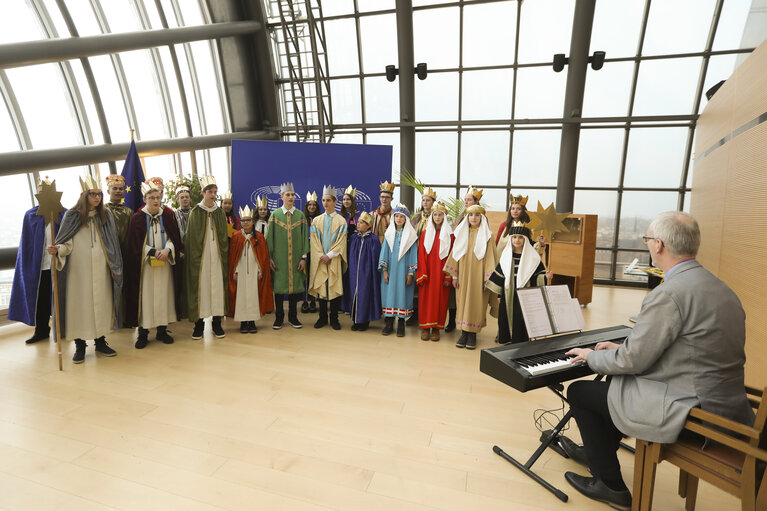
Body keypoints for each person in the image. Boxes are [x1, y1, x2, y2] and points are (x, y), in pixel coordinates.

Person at [563, 211, 755, 510]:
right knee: (615, 382)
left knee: (580, 391)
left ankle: (609, 484)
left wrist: (593, 356)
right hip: (728, 408)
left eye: (648, 239)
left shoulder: (669, 292)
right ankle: (597, 451)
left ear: (659, 245)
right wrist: (620, 348)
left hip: (693, 413)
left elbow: (633, 362)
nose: (648, 244)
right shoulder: (721, 288)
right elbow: (687, 348)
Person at [47, 172, 122, 363]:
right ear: (84, 195)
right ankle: (80, 346)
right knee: (80, 308)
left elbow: (112, 244)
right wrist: (58, 249)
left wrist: (114, 267)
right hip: (78, 274)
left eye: (99, 194)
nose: (97, 197)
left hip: (102, 271)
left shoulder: (106, 215)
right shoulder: (72, 216)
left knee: (101, 306)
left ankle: (101, 341)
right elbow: (67, 244)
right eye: (93, 194)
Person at [124, 180, 183, 348]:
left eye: (158, 197)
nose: (156, 201)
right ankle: (143, 333)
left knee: (164, 296)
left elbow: (174, 239)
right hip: (146, 267)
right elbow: (134, 244)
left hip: (164, 264)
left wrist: (167, 250)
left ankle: (162, 331)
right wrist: (152, 251)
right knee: (146, 298)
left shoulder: (168, 216)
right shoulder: (137, 218)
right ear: (145, 199)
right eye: (152, 198)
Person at [8, 178, 66, 344]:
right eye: (41, 192)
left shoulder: (64, 213)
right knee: (40, 300)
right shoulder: (31, 215)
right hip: (39, 266)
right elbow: (26, 243)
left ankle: (62, 330)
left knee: (59, 299)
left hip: (59, 263)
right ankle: (41, 330)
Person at [486, 221, 552, 344]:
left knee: (521, 318)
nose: (517, 240)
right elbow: (501, 275)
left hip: (524, 294)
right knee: (505, 317)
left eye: (520, 237)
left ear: (526, 239)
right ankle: (507, 340)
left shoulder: (533, 258)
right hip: (508, 293)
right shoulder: (506, 256)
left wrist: (545, 276)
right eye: (514, 237)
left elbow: (538, 275)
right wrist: (500, 294)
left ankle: (520, 342)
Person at [444, 204, 497, 350]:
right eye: (471, 215)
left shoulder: (488, 236)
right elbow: (455, 255)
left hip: (479, 277)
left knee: (476, 303)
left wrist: (487, 279)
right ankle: (463, 333)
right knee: (462, 302)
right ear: (467, 217)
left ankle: (473, 334)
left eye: (477, 215)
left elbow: (491, 258)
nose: (474, 218)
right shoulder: (461, 233)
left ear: (482, 217)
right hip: (463, 276)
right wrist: (454, 275)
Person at [184, 175, 229, 339]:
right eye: (210, 191)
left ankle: (217, 324)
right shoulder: (195, 212)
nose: (213, 194)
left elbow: (224, 237)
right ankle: (199, 325)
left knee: (217, 288)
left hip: (217, 258)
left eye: (215, 191)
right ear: (203, 192)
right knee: (201, 289)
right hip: (201, 260)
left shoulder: (219, 213)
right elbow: (191, 238)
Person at [266, 182, 309, 329]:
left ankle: (293, 317)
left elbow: (304, 238)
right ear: (282, 197)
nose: (291, 197)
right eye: (287, 195)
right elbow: (269, 237)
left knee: (294, 289)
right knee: (279, 288)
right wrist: (269, 257)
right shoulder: (275, 215)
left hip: (296, 258)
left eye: (292, 195)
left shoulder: (300, 215)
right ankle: (279, 318)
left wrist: (304, 258)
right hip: (279, 259)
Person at [228, 205, 274, 334]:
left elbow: (263, 256)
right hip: (241, 272)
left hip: (254, 271)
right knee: (241, 296)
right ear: (240, 222)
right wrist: (235, 271)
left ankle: (252, 321)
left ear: (252, 222)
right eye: (243, 221)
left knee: (253, 295)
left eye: (248, 220)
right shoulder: (236, 236)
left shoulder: (259, 236)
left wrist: (260, 270)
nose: (246, 223)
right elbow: (233, 257)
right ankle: (243, 322)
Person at [308, 186, 347, 330]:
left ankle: (334, 318)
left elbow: (341, 241)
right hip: (320, 259)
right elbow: (314, 241)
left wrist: (329, 255)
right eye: (323, 200)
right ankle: (322, 317)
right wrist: (321, 256)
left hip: (334, 259)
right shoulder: (316, 220)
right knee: (322, 288)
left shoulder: (341, 220)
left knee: (334, 287)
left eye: (328, 200)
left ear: (335, 201)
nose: (325, 203)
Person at [446, 185, 483, 332]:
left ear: (476, 201)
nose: (466, 202)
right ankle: (454, 321)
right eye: (465, 200)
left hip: (475, 265)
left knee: (473, 299)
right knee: (456, 296)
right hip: (461, 259)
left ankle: (471, 330)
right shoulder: (462, 216)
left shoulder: (481, 220)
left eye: (469, 200)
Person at [378, 204, 418, 337]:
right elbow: (384, 253)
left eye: (402, 217)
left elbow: (413, 255)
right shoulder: (389, 234)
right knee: (389, 295)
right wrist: (384, 271)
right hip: (390, 271)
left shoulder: (411, 237)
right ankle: (389, 322)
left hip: (404, 272)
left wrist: (411, 273)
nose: (399, 219)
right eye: (397, 216)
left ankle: (401, 323)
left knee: (402, 295)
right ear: (393, 218)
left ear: (406, 219)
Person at [416, 202, 453, 341]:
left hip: (441, 274)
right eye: (435, 214)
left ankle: (437, 329)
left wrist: (448, 276)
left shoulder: (450, 235)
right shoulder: (425, 233)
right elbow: (421, 254)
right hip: (428, 273)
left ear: (444, 217)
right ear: (432, 216)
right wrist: (422, 273)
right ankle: (425, 328)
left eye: (440, 215)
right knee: (425, 300)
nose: (437, 217)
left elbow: (451, 257)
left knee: (440, 301)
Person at [347, 212, 381, 331]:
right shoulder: (354, 238)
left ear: (368, 226)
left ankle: (364, 321)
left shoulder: (373, 239)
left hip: (367, 273)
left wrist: (371, 272)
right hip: (354, 272)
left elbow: (375, 258)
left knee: (365, 295)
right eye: (359, 222)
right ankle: (355, 320)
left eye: (362, 223)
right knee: (354, 294)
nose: (358, 224)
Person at [340, 185, 360, 315]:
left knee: (352, 276)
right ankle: (342, 305)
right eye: (344, 199)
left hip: (354, 249)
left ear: (352, 201)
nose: (346, 201)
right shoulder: (339, 215)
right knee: (342, 276)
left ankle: (351, 305)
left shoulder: (359, 215)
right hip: (341, 248)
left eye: (348, 199)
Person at [301, 191, 320, 314]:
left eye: (314, 205)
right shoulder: (302, 219)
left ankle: (313, 300)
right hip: (304, 250)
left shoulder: (320, 219)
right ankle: (304, 301)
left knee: (314, 274)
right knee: (304, 275)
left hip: (316, 250)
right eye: (309, 205)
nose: (312, 207)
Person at [104, 174, 133, 246]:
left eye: (121, 189)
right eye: (114, 188)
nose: (118, 191)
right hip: (109, 249)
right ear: (108, 191)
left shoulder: (129, 212)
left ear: (124, 192)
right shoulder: (103, 210)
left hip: (126, 250)